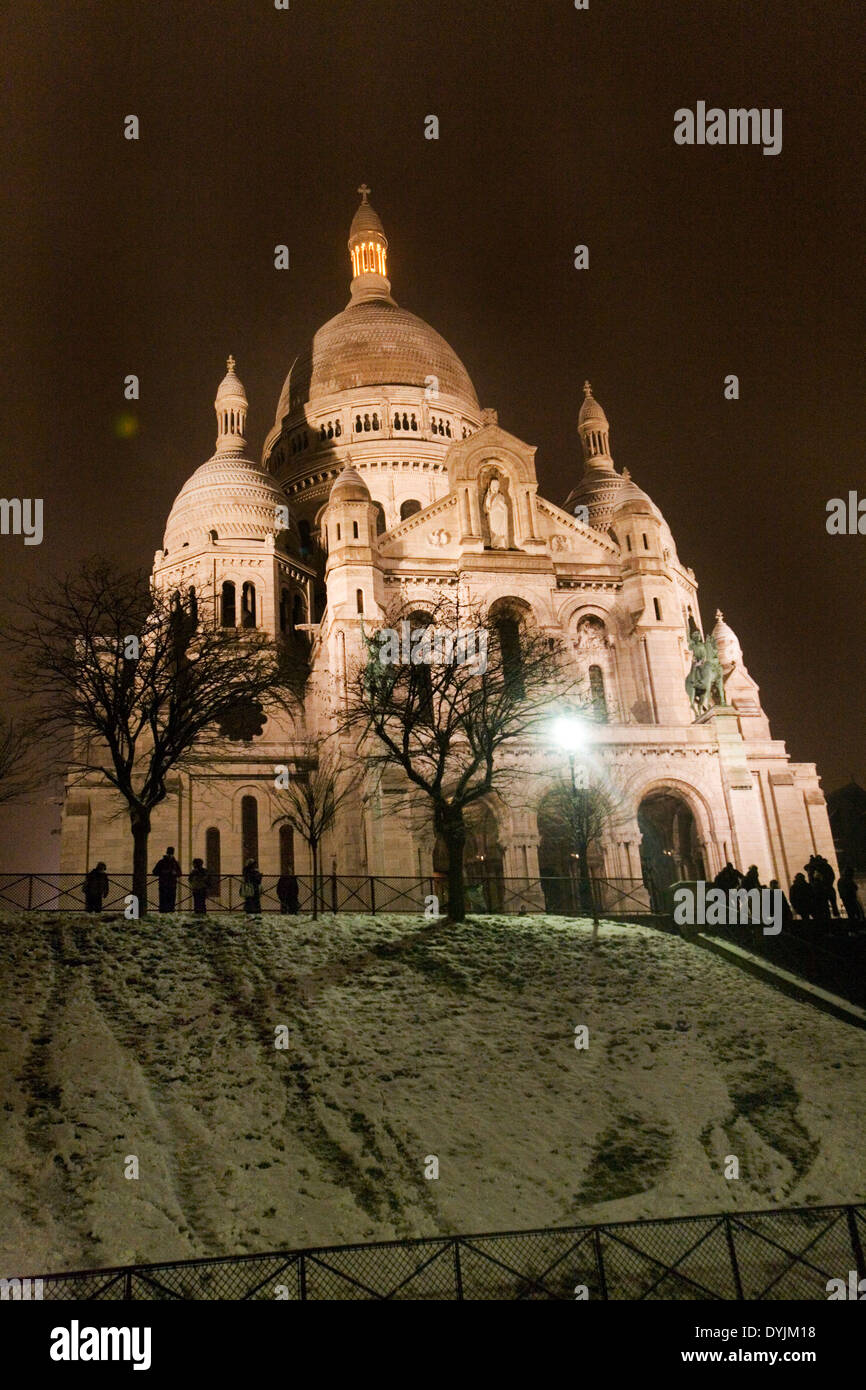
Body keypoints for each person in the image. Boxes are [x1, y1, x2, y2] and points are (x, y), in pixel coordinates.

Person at [152, 846, 182, 912]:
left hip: (165, 884)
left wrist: (164, 872)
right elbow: (180, 873)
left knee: (165, 899)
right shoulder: (174, 862)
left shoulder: (162, 862)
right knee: (169, 900)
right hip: (170, 884)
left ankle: (165, 911)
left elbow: (155, 872)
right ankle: (168, 911)